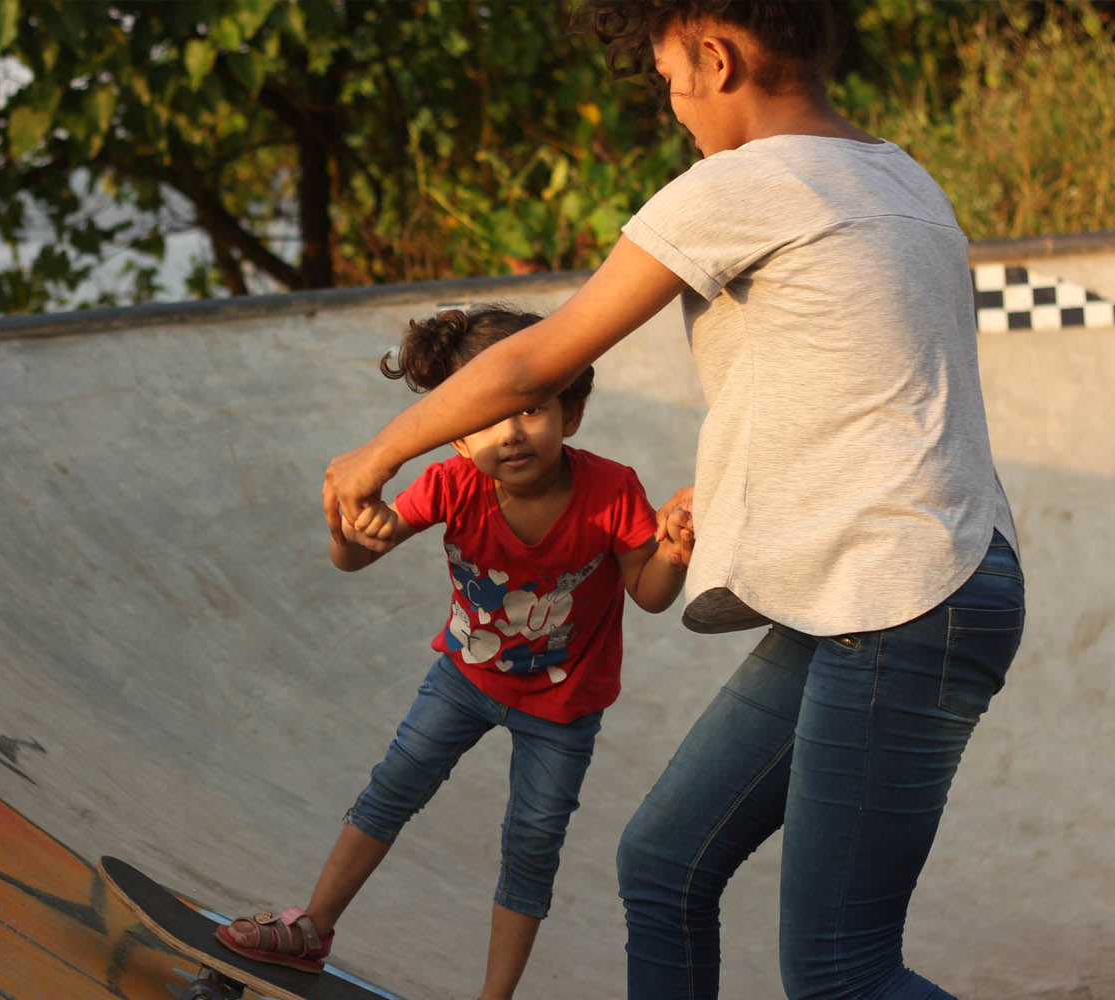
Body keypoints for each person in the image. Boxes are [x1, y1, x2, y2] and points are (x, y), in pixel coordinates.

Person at [320, 3, 1025, 998]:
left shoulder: (741, 182)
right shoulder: (897, 172)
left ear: (715, 54)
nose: (674, 107)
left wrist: (380, 449)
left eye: (668, 81)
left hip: (901, 594)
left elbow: (536, 358)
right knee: (664, 862)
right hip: (916, 582)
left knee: (840, 973)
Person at [219, 306, 695, 1000]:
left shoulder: (611, 491)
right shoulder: (452, 483)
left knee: (531, 850)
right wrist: (351, 527)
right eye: (487, 418)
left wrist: (674, 554)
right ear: (456, 434)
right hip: (463, 680)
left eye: (532, 408)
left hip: (563, 711)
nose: (511, 432)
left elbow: (649, 594)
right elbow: (355, 557)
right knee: (391, 789)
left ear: (572, 410)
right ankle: (312, 928)